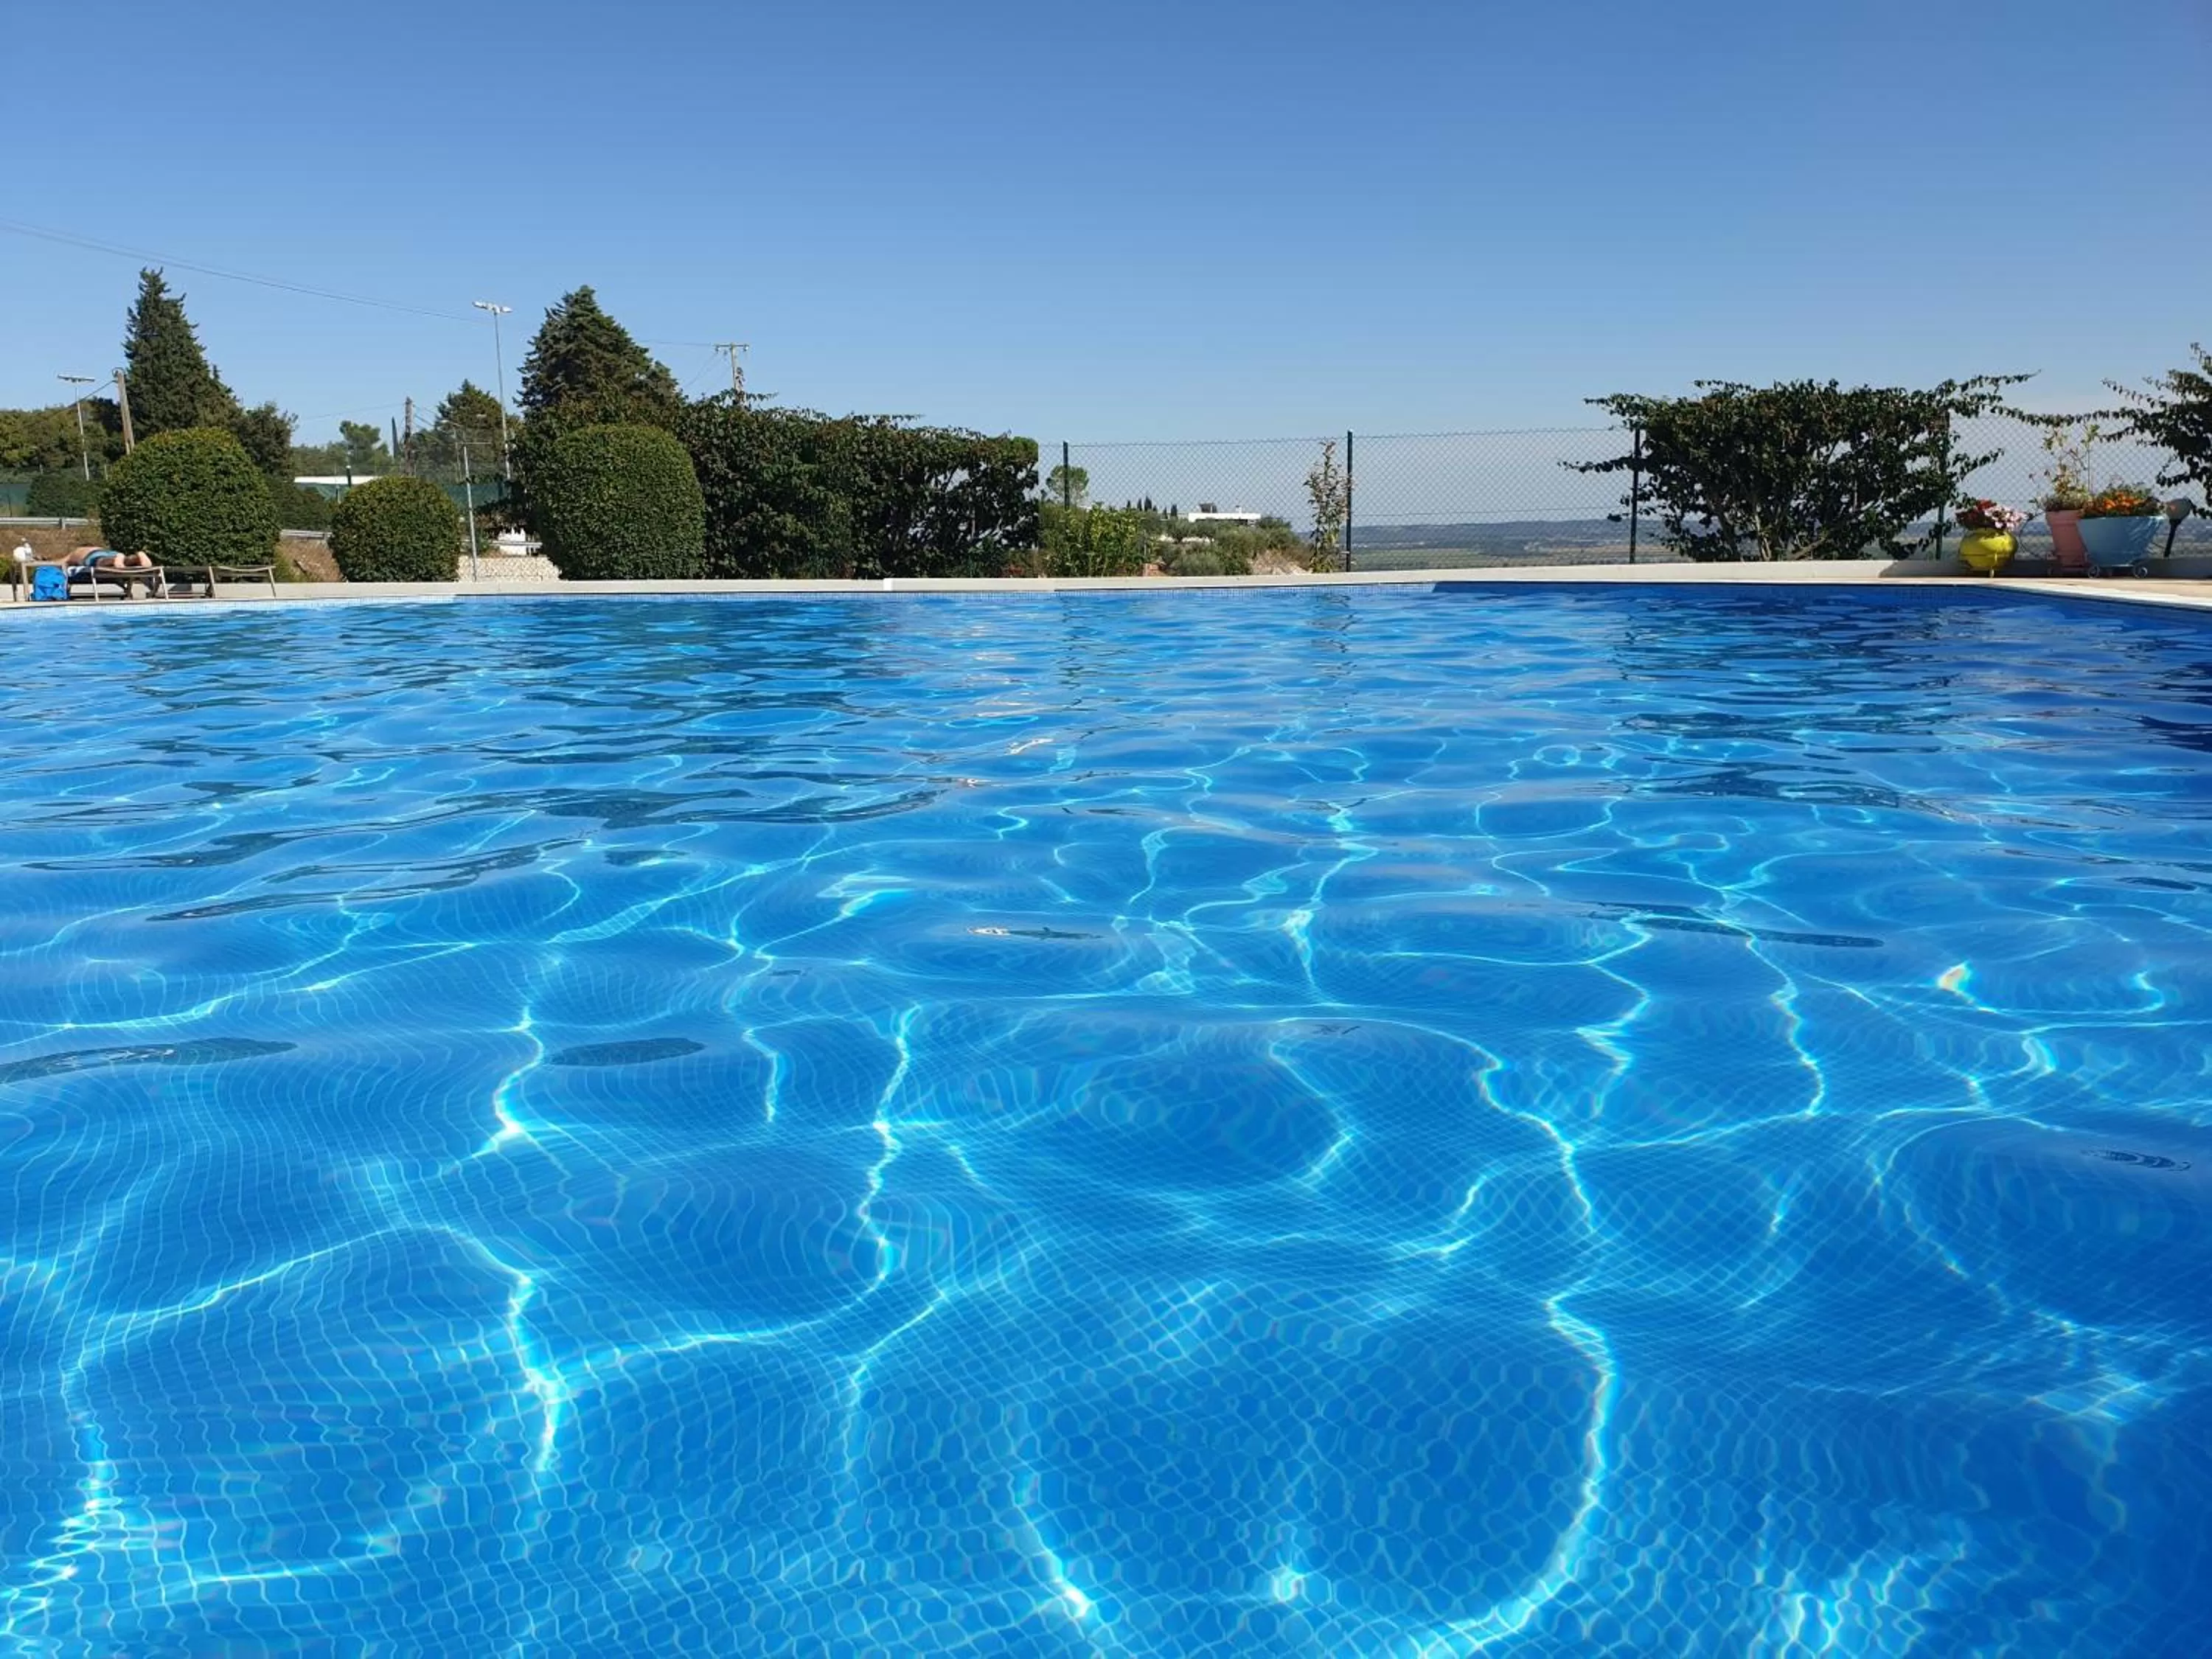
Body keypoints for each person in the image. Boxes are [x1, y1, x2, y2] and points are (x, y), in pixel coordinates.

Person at [65, 546, 155, 570]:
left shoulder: (78, 551)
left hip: (93, 556)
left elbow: (62, 562)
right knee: (126, 561)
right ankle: (136, 557)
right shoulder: (99, 548)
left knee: (101, 561)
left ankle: (115, 559)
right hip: (111, 552)